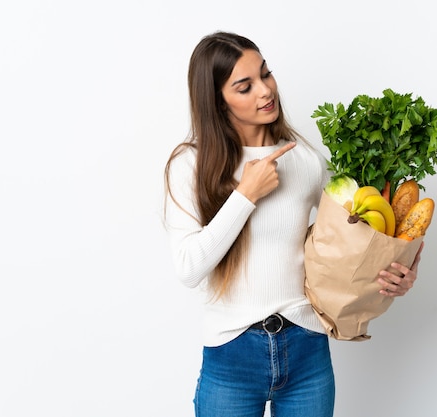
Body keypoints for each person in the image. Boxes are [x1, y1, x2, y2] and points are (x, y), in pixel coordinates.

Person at [163, 31, 423, 417]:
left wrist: (401, 271)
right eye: (244, 86)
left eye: (265, 74)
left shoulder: (306, 161)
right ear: (217, 101)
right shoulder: (189, 164)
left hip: (306, 349)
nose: (265, 90)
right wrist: (245, 195)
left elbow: (358, 237)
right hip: (231, 354)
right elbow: (188, 268)